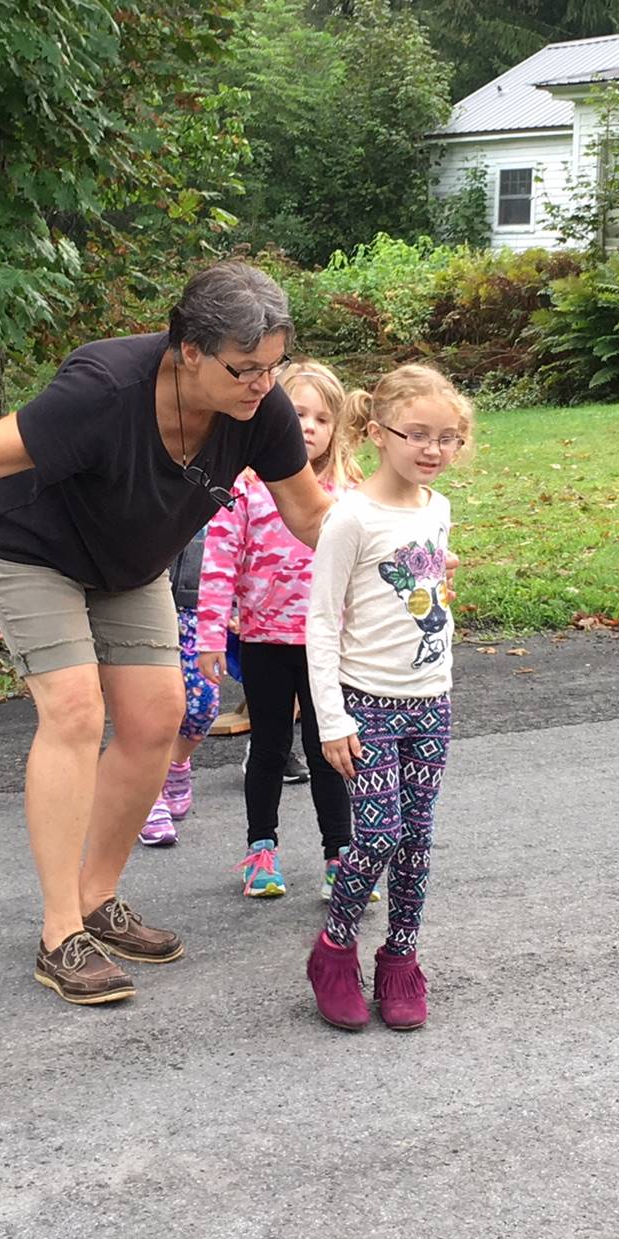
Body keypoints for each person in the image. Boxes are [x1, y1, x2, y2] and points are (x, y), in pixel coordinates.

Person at [0, 263, 333, 1006]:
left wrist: (397, 557)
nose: (262, 386)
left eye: (274, 367)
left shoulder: (257, 411)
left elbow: (310, 516)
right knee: (74, 708)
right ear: (189, 350)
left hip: (131, 558)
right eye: (246, 369)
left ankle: (98, 897)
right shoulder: (107, 387)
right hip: (27, 543)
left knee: (157, 714)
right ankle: (59, 932)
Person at [303, 364, 471, 1033]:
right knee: (377, 834)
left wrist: (440, 576)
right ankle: (335, 948)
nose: (433, 450)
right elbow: (320, 620)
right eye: (417, 435)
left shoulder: (437, 508)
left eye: (449, 438)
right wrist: (330, 718)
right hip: (365, 702)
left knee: (419, 841)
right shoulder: (350, 516)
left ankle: (400, 958)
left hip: (431, 697)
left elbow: (419, 580)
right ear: (377, 433)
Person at [196, 361, 366, 899]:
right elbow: (219, 561)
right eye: (297, 415)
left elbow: (372, 563)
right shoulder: (245, 489)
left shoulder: (350, 492)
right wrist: (209, 634)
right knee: (269, 747)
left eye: (322, 418)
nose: (309, 427)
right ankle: (260, 850)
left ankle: (340, 855)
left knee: (328, 750)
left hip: (329, 647)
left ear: (336, 428)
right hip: (265, 639)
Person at [137, 525, 222, 847]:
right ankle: (150, 795)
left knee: (203, 707)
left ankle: (176, 763)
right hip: (141, 600)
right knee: (150, 706)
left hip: (199, 606)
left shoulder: (226, 479)